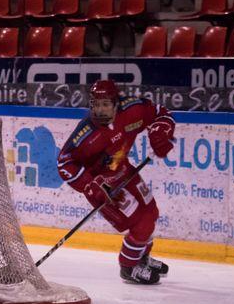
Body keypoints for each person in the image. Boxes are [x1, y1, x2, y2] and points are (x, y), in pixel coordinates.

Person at [56, 80, 176, 285]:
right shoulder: (86, 133)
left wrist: (160, 131)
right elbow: (64, 162)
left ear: (116, 103)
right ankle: (128, 267)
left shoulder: (132, 110)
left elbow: (161, 113)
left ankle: (141, 257)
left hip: (124, 171)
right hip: (104, 187)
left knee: (151, 212)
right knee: (142, 223)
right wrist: (89, 185)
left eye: (105, 104)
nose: (100, 110)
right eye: (96, 104)